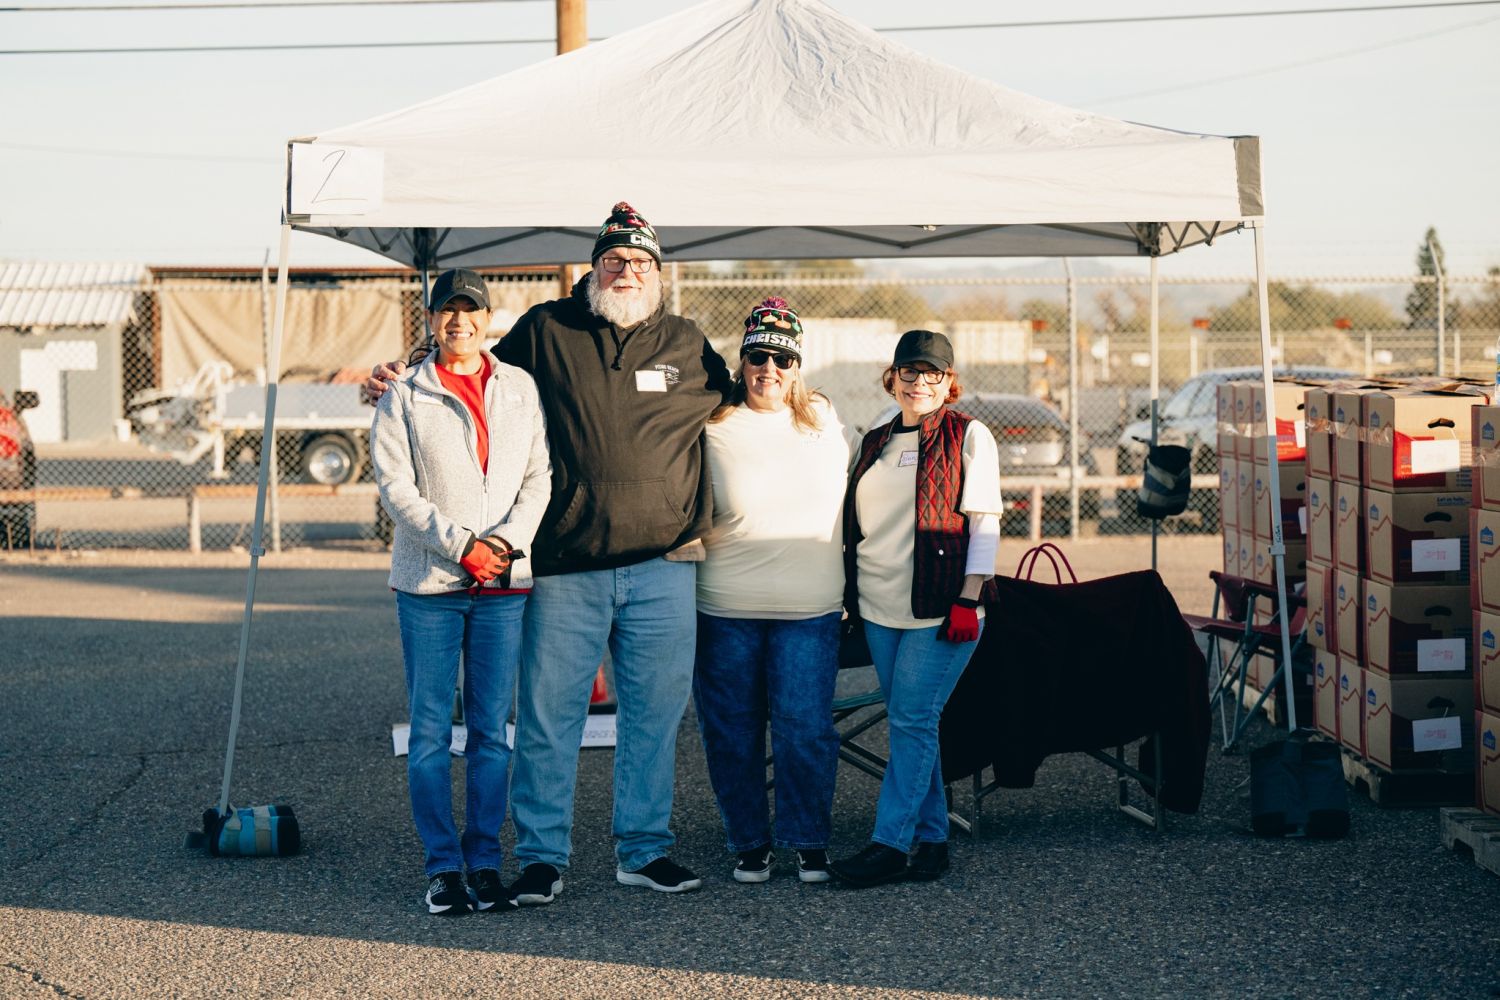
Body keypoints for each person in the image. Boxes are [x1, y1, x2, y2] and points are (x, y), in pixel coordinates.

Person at [367, 203, 731, 899]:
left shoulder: (687, 342)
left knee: (654, 717)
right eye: (614, 260)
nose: (628, 272)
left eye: (641, 262)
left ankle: (644, 849)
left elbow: (741, 400)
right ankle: (541, 856)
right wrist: (403, 372)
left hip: (662, 564)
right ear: (592, 269)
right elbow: (468, 367)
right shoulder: (546, 328)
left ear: (659, 272)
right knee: (549, 717)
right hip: (565, 563)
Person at [369, 268, 552, 915]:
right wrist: (462, 546)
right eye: (447, 310)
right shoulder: (404, 394)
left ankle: (484, 862)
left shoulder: (519, 387)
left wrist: (504, 544)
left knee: (491, 733)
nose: (459, 321)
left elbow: (538, 477)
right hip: (430, 585)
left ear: (487, 319)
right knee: (428, 735)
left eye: (470, 310)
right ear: (431, 319)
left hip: (502, 583)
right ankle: (443, 867)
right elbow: (396, 489)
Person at [829, 329, 1003, 888]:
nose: (920, 382)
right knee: (913, 722)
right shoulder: (876, 438)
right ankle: (932, 840)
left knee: (911, 719)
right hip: (880, 609)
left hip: (941, 609)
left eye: (933, 373)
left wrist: (969, 598)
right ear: (893, 376)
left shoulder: (969, 435)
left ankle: (890, 844)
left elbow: (985, 522)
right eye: (910, 371)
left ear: (949, 381)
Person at [693, 297, 850, 885]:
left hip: (810, 610)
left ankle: (808, 840)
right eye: (758, 356)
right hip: (724, 608)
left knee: (804, 729)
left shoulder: (825, 418)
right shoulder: (713, 423)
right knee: (731, 732)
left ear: (797, 366)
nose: (769, 369)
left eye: (783, 359)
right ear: (741, 361)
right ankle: (749, 841)